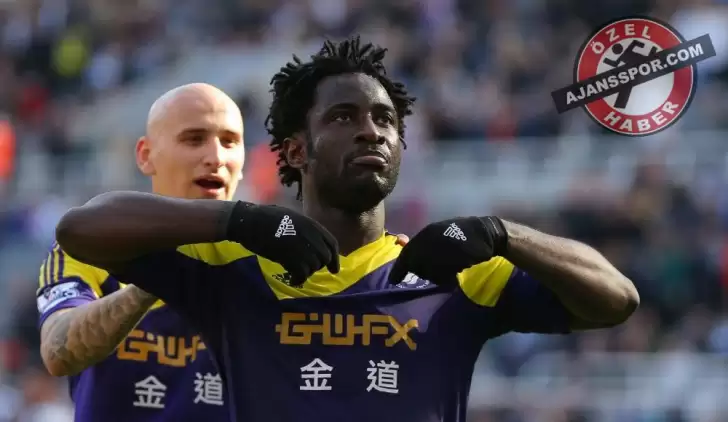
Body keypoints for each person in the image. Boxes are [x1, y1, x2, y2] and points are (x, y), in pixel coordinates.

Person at [53, 37, 639, 422]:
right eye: (343, 117)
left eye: (385, 120)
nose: (371, 131)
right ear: (295, 151)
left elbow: (616, 300)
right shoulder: (231, 267)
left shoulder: (456, 273)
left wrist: (504, 234)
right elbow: (81, 231)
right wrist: (239, 218)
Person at [36, 83, 245, 421]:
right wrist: (157, 276)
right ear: (146, 155)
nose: (216, 158)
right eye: (194, 140)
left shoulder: (267, 261)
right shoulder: (91, 247)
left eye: (230, 142)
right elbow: (58, 351)